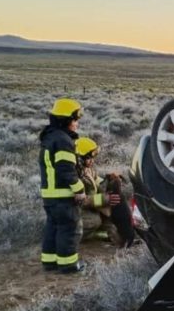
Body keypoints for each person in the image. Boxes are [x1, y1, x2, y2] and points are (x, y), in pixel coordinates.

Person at [39, 98, 86, 274]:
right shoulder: (63, 141)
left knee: (53, 228)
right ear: (66, 120)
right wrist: (79, 189)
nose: (77, 123)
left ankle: (50, 262)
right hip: (62, 197)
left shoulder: (50, 138)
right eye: (75, 120)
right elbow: (66, 170)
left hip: (50, 197)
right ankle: (68, 265)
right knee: (69, 229)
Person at [74, 137, 137, 248]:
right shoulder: (73, 174)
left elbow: (98, 183)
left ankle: (116, 239)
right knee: (94, 221)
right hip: (76, 208)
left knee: (109, 216)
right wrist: (105, 199)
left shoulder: (87, 170)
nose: (92, 161)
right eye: (89, 158)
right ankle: (75, 236)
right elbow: (80, 200)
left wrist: (111, 179)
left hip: (90, 207)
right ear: (80, 158)